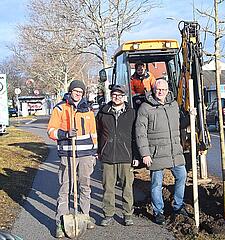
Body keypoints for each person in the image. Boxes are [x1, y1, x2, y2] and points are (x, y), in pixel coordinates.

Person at [47, 80, 97, 238]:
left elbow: (93, 133)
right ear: (70, 91)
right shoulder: (61, 108)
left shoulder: (88, 110)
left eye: (80, 92)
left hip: (86, 156)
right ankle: (61, 222)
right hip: (68, 155)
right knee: (65, 189)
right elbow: (51, 131)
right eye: (75, 91)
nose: (77, 94)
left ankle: (85, 216)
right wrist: (65, 134)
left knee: (85, 187)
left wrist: (94, 152)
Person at [135, 79, 188, 225]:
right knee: (156, 183)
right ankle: (159, 211)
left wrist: (191, 116)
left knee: (182, 175)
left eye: (163, 90)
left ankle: (178, 206)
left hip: (174, 151)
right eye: (158, 89)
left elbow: (181, 124)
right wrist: (145, 153)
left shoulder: (174, 105)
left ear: (167, 90)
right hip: (156, 152)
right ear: (153, 89)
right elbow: (140, 132)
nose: (161, 92)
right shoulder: (145, 108)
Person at [96, 85, 139, 227]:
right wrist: (99, 150)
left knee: (127, 188)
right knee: (108, 187)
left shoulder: (131, 113)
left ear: (124, 97)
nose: (117, 97)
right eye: (114, 95)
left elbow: (136, 136)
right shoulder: (103, 112)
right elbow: (97, 132)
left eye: (119, 95)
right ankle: (108, 214)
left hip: (126, 155)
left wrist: (136, 155)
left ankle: (127, 214)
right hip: (107, 155)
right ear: (111, 96)